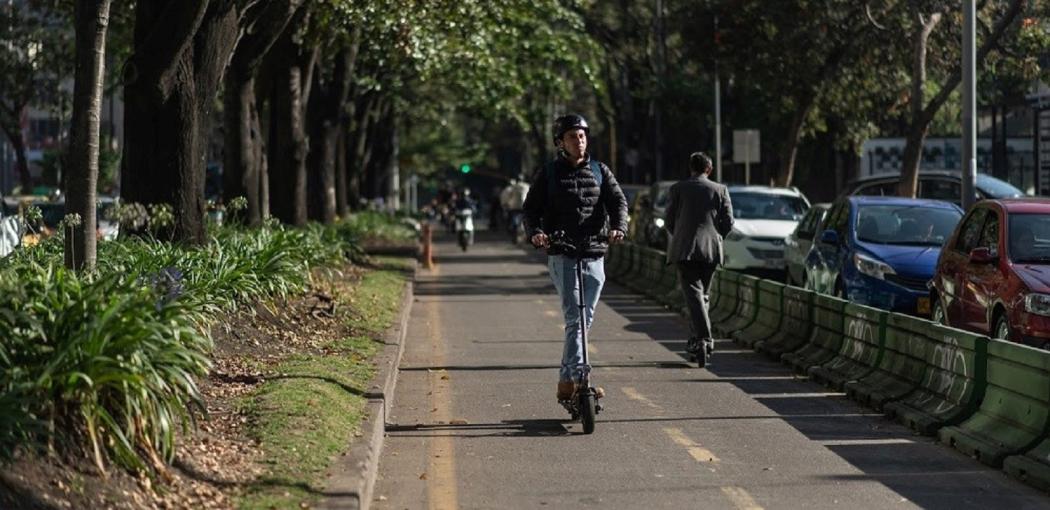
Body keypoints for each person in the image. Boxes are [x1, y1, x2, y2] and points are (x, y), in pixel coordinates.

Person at [523, 113, 628, 401]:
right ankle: (580, 376)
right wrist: (537, 233)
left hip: (595, 253)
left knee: (586, 318)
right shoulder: (549, 173)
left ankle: (566, 380)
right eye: (572, 136)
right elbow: (530, 210)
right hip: (563, 254)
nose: (579, 141)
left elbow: (618, 201)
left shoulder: (599, 170)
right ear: (560, 142)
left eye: (582, 135)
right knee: (575, 318)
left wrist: (619, 227)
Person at [664, 152, 734, 367]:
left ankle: (703, 338)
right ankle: (698, 341)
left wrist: (682, 235)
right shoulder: (720, 190)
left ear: (691, 168)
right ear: (709, 169)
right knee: (703, 295)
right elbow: (728, 222)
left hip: (685, 250)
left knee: (693, 295)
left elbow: (669, 220)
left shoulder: (678, 189)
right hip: (711, 250)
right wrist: (715, 236)